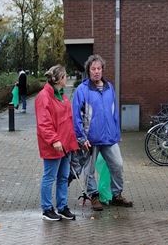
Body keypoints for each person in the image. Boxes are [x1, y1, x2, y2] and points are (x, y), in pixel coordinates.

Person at [72, 54, 133, 211]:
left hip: (109, 137)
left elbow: (114, 113)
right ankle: (94, 196)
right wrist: (81, 137)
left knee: (118, 165)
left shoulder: (109, 88)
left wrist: (116, 132)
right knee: (90, 171)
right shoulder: (82, 90)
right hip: (90, 139)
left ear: (102, 70)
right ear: (89, 70)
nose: (96, 71)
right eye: (93, 69)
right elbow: (76, 115)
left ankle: (116, 195)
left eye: (99, 68)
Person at [35, 64, 79, 221]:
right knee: (49, 176)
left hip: (65, 145)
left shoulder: (62, 95)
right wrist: (54, 140)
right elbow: (44, 123)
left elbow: (68, 120)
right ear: (59, 79)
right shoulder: (44, 97)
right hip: (54, 145)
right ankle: (47, 208)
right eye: (65, 75)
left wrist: (72, 142)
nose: (67, 78)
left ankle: (62, 207)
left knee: (63, 177)